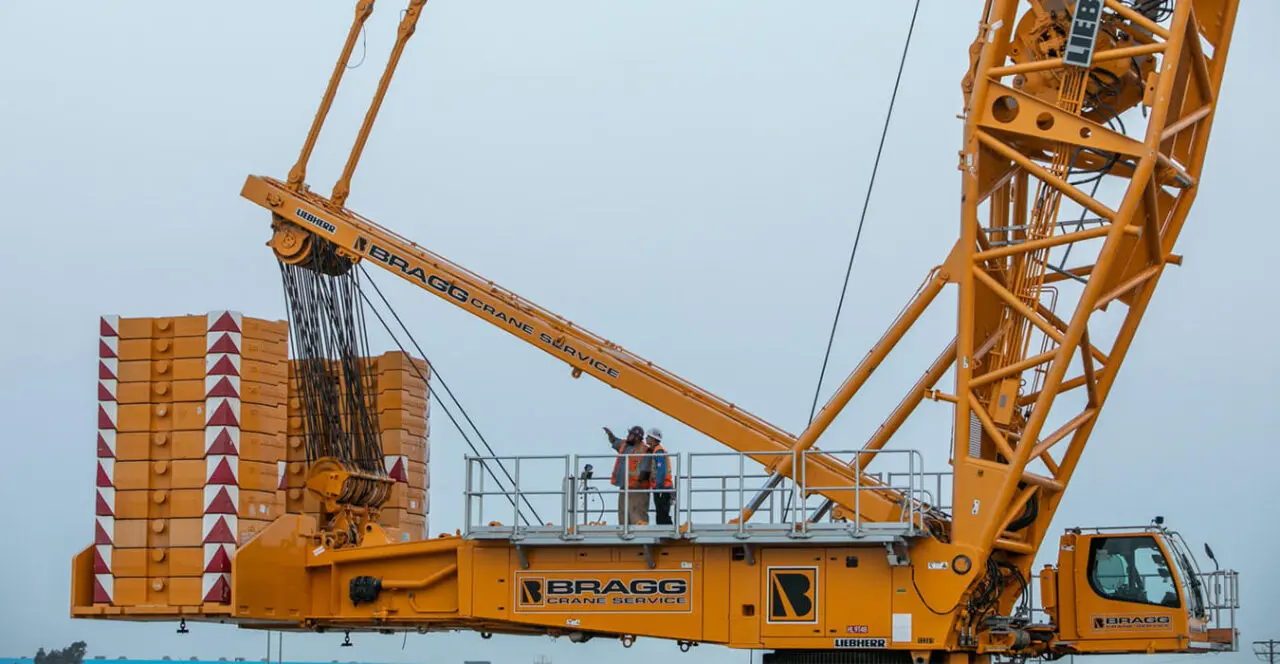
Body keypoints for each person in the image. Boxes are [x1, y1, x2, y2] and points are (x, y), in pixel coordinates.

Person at [604, 425, 651, 526]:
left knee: (637, 515)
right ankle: (625, 537)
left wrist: (639, 483)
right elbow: (615, 441)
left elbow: (646, 470)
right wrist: (610, 435)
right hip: (624, 487)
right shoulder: (625, 445)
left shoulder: (644, 450)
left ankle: (640, 537)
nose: (628, 436)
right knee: (623, 515)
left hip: (637, 489)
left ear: (637, 437)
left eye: (630, 434)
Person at [645, 427, 674, 525]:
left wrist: (658, 487)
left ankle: (666, 532)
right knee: (661, 512)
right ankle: (665, 531)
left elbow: (661, 471)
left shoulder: (659, 451)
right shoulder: (656, 450)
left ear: (653, 439)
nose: (646, 438)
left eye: (648, 437)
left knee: (662, 512)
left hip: (663, 487)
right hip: (662, 486)